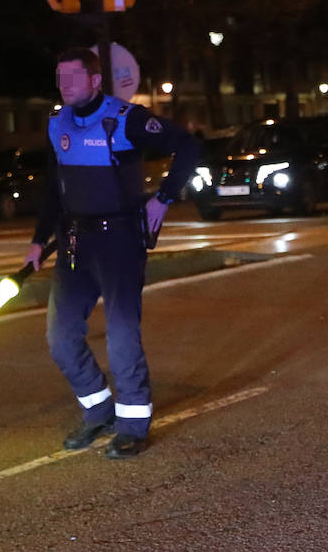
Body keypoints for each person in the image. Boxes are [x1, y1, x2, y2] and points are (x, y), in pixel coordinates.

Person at [23, 47, 199, 458]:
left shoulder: (125, 119)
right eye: (59, 77)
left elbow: (189, 147)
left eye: (72, 77)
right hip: (74, 243)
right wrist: (38, 239)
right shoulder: (58, 123)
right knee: (60, 337)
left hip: (119, 240)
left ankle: (133, 425)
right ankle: (98, 409)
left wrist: (164, 199)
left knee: (122, 336)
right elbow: (56, 186)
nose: (64, 85)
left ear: (95, 80)